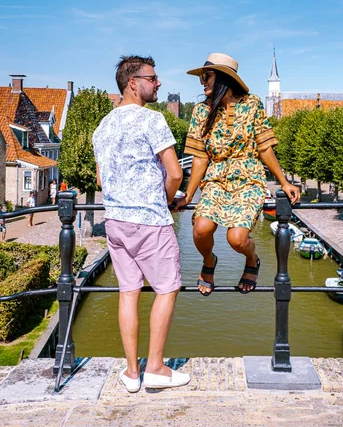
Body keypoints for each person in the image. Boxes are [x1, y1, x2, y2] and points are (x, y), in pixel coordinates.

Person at [92, 54, 190, 393]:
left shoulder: (102, 126)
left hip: (115, 221)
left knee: (128, 293)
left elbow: (101, 180)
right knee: (167, 288)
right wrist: (163, 200)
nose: (158, 82)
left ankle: (131, 373)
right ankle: (156, 368)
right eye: (152, 77)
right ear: (133, 83)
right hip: (149, 220)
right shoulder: (153, 120)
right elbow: (176, 173)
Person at [173, 53, 300, 295]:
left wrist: (285, 182)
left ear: (222, 77)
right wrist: (189, 195)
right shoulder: (201, 111)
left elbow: (264, 146)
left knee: (237, 239)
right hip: (216, 179)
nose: (202, 81)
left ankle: (252, 260)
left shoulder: (251, 104)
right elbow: (200, 157)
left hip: (248, 178)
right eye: (202, 76)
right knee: (200, 228)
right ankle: (209, 260)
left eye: (206, 76)